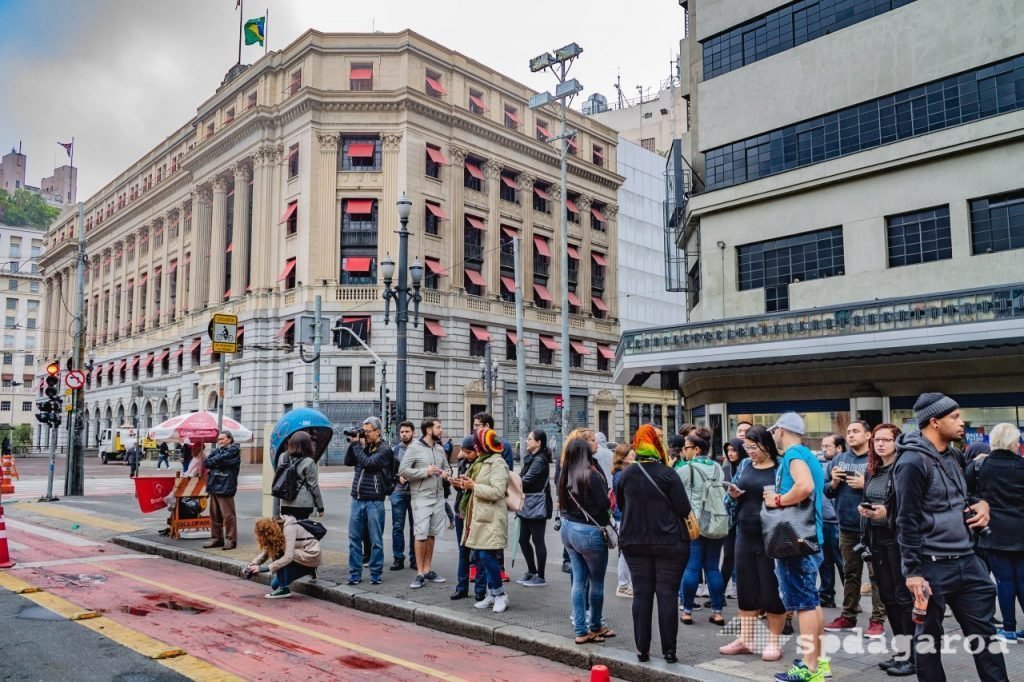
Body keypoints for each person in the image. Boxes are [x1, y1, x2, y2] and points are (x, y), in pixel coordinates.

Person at [892, 393, 1006, 681]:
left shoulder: (954, 455)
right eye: (954, 417)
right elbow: (905, 520)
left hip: (968, 562)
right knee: (928, 641)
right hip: (931, 566)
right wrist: (913, 573)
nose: (961, 422)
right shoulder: (911, 463)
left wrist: (982, 504)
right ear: (934, 422)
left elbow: (964, 497)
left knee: (986, 637)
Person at [615, 424, 691, 663]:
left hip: (635, 542)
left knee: (641, 595)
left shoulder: (627, 474)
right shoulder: (668, 474)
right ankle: (669, 652)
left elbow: (620, 505)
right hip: (669, 542)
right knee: (667, 595)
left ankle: (642, 650)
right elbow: (684, 508)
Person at [762, 413, 828, 682]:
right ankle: (818, 663)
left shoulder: (793, 455)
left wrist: (777, 500)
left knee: (804, 604)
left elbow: (805, 486)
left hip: (796, 539)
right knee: (812, 602)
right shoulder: (809, 454)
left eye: (774, 431)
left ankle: (809, 668)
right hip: (811, 536)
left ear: (780, 430)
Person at [720, 425, 786, 661]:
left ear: (766, 445)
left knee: (771, 590)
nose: (749, 452)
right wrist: (733, 494)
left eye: (753, 447)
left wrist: (778, 500)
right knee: (746, 588)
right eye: (747, 447)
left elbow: (793, 497)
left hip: (772, 536)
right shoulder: (746, 465)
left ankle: (774, 642)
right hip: (744, 533)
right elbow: (734, 492)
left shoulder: (781, 468)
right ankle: (746, 639)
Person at [858, 423, 915, 677]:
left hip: (899, 539)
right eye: (877, 440)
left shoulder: (904, 468)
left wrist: (887, 512)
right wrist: (866, 510)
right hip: (877, 538)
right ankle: (901, 652)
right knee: (888, 597)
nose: (880, 444)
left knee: (903, 598)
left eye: (886, 440)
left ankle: (913, 656)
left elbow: (915, 506)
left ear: (897, 442)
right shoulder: (873, 469)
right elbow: (870, 497)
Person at [825, 420, 886, 637]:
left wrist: (865, 485)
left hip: (873, 527)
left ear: (868, 435)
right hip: (847, 527)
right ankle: (848, 616)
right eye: (848, 432)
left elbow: (888, 490)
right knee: (850, 574)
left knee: (877, 575)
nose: (850, 435)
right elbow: (827, 492)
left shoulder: (877, 459)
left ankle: (877, 619)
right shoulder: (840, 459)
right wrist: (833, 483)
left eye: (856, 431)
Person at [966, 423, 1024, 644]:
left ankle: (1008, 629)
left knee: (1004, 581)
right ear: (1012, 443)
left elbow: (965, 493)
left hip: (993, 532)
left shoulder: (979, 467)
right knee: (1022, 580)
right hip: (1021, 531)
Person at [559, 436, 614, 645]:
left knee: (578, 581)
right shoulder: (592, 475)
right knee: (597, 582)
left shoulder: (566, 473)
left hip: (568, 529)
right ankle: (596, 625)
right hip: (589, 532)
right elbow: (603, 504)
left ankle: (581, 630)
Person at [453, 428, 510, 613]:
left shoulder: (498, 463)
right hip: (479, 516)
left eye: (477, 443)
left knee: (486, 556)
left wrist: (474, 485)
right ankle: (492, 594)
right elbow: (476, 487)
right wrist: (463, 484)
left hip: (491, 517)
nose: (475, 446)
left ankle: (500, 594)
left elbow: (497, 491)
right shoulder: (480, 462)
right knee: (481, 556)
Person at [678, 430, 727, 626]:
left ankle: (687, 611)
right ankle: (717, 612)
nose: (684, 451)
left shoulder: (686, 469)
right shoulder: (717, 467)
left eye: (686, 447)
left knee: (691, 567)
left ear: (696, 449)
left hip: (695, 524)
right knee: (713, 567)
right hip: (716, 520)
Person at [399, 418, 450, 589]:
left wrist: (445, 473)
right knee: (420, 535)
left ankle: (428, 570)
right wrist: (424, 471)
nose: (441, 430)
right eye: (438, 427)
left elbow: (448, 468)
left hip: (438, 497)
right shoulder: (414, 448)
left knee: (431, 534)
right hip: (421, 498)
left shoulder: (440, 449)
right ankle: (419, 573)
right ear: (429, 430)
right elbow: (403, 471)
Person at [344, 416, 395, 586]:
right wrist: (354, 444)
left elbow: (368, 464)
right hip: (357, 499)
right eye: (363, 431)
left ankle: (375, 573)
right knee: (354, 539)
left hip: (374, 501)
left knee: (376, 541)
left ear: (378, 431)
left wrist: (358, 446)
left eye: (368, 432)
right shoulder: (363, 447)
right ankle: (354, 573)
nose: (365, 434)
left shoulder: (385, 449)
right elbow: (348, 461)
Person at [245, 516, 321, 599]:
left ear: (267, 532)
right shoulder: (275, 530)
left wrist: (265, 568)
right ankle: (310, 570)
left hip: (311, 555)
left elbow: (288, 557)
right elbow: (266, 553)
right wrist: (252, 565)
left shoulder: (289, 529)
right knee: (274, 585)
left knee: (279, 551)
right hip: (302, 557)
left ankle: (284, 589)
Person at [516, 429, 553, 587]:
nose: (526, 441)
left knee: (538, 540)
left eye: (530, 439)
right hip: (528, 503)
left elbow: (526, 480)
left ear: (538, 442)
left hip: (536, 504)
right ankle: (531, 571)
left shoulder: (539, 460)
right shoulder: (532, 458)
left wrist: (511, 482)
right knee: (523, 539)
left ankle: (541, 576)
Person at [817, 434, 845, 608]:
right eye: (823, 446)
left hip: (839, 522)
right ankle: (827, 595)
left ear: (839, 448)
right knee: (824, 561)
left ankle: (852, 600)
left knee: (843, 563)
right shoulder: (821, 465)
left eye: (828, 446)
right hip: (824, 520)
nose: (824, 449)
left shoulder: (845, 465)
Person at [450, 434, 479, 601]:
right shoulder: (463, 463)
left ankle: (481, 590)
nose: (465, 455)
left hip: (473, 511)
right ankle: (461, 587)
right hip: (460, 509)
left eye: (468, 452)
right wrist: (456, 484)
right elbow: (461, 490)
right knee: (463, 551)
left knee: (478, 552)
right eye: (464, 451)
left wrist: (469, 486)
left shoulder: (480, 465)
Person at [204, 432, 241, 550]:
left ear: (229, 439)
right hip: (214, 484)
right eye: (218, 439)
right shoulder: (216, 451)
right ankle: (216, 539)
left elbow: (222, 460)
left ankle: (231, 540)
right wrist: (218, 462)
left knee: (228, 516)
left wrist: (216, 462)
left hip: (226, 486)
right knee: (215, 515)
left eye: (222, 439)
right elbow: (207, 463)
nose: (219, 441)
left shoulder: (234, 451)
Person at [276, 431, 324, 521]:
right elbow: (313, 486)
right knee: (301, 529)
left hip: (286, 501)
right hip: (303, 504)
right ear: (307, 445)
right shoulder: (309, 462)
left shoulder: (282, 457)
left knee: (288, 529)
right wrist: (320, 506)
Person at [721, 438, 746, 600]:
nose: (730, 454)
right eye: (728, 450)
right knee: (728, 555)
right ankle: (719, 594)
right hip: (729, 520)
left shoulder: (748, 467)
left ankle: (744, 593)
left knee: (744, 558)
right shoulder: (725, 469)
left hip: (745, 518)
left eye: (734, 450)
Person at [389, 422, 416, 571]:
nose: (404, 434)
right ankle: (398, 558)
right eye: (402, 432)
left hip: (415, 492)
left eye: (407, 431)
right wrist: (397, 477)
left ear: (413, 433)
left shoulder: (418, 450)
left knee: (415, 527)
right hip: (398, 492)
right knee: (397, 527)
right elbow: (388, 470)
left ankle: (414, 558)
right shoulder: (395, 450)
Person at [611, 442, 635, 599]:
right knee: (625, 552)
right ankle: (623, 585)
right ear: (622, 457)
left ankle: (625, 584)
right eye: (630, 453)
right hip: (623, 516)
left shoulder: (624, 472)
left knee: (626, 551)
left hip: (624, 515)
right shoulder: (621, 475)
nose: (633, 455)